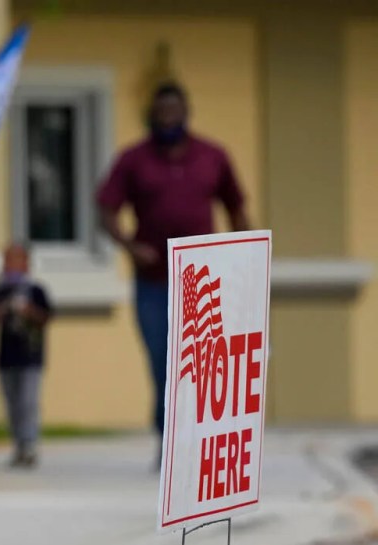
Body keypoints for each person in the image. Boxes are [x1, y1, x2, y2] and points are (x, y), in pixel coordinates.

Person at [95, 82, 250, 468]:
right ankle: (169, 444)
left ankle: (201, 445)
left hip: (206, 281)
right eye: (161, 112)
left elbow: (236, 207)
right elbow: (106, 209)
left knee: (205, 364)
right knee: (165, 363)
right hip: (154, 282)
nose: (168, 118)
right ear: (152, 115)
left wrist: (244, 256)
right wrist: (130, 246)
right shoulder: (134, 160)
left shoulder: (212, 156)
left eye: (174, 111)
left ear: (186, 112)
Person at [0, 243, 53, 468]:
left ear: (26, 263)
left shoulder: (36, 291)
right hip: (6, 357)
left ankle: (30, 445)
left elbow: (47, 318)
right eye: (7, 260)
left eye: (15, 260)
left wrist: (28, 311)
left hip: (31, 356)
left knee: (28, 402)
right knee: (13, 404)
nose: (10, 265)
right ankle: (18, 446)